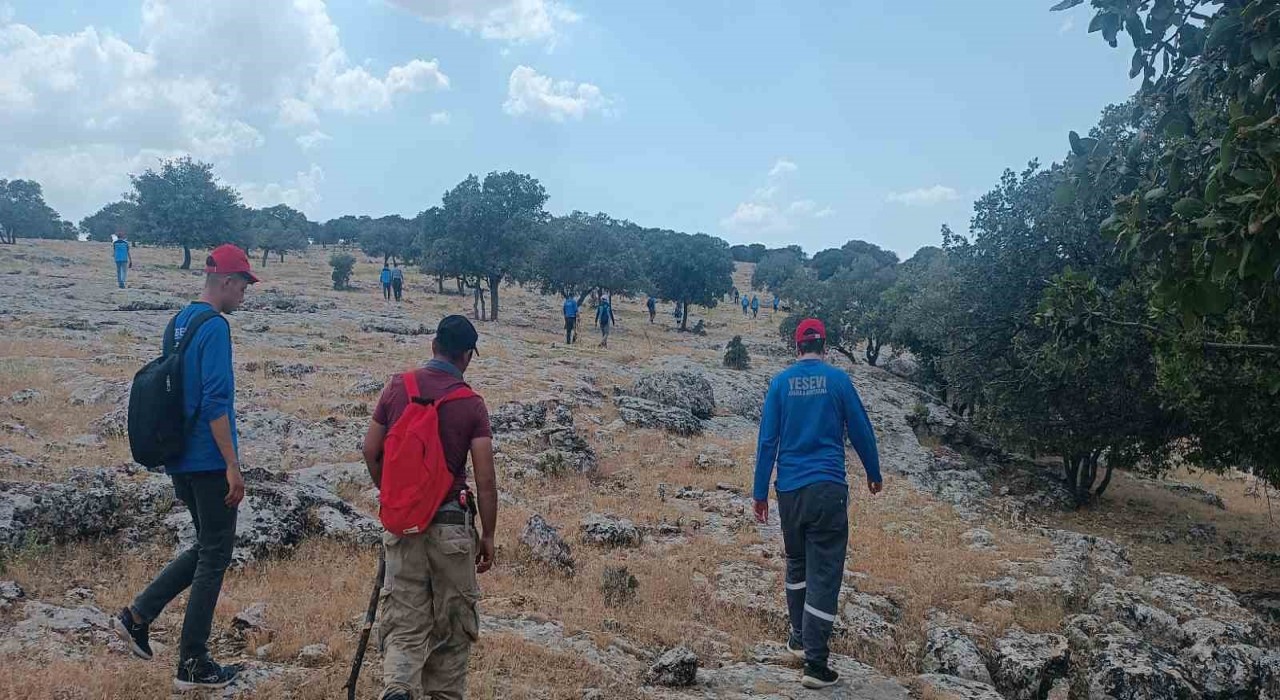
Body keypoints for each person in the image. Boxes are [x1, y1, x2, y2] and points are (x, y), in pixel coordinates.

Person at [112, 244, 258, 691]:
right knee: (215, 554)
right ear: (228, 282)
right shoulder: (215, 327)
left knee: (207, 546)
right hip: (208, 459)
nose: (245, 296)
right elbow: (215, 401)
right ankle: (193, 663)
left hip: (179, 458)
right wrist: (232, 465)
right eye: (244, 286)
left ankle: (138, 615)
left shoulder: (178, 322)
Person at [362, 315, 497, 700]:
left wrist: (396, 498)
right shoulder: (471, 404)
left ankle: (398, 689)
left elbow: (371, 451)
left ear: (433, 345)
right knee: (453, 631)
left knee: (404, 620)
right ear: (467, 356)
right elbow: (485, 480)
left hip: (405, 527)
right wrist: (487, 534)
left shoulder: (396, 388)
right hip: (452, 526)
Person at [752, 318, 882, 690]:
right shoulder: (839, 381)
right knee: (824, 571)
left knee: (797, 563)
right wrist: (873, 472)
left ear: (797, 348)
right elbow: (861, 428)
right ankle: (815, 662)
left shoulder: (779, 383)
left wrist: (760, 492)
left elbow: (766, 442)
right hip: (826, 487)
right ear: (824, 347)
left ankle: (797, 636)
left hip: (789, 490)